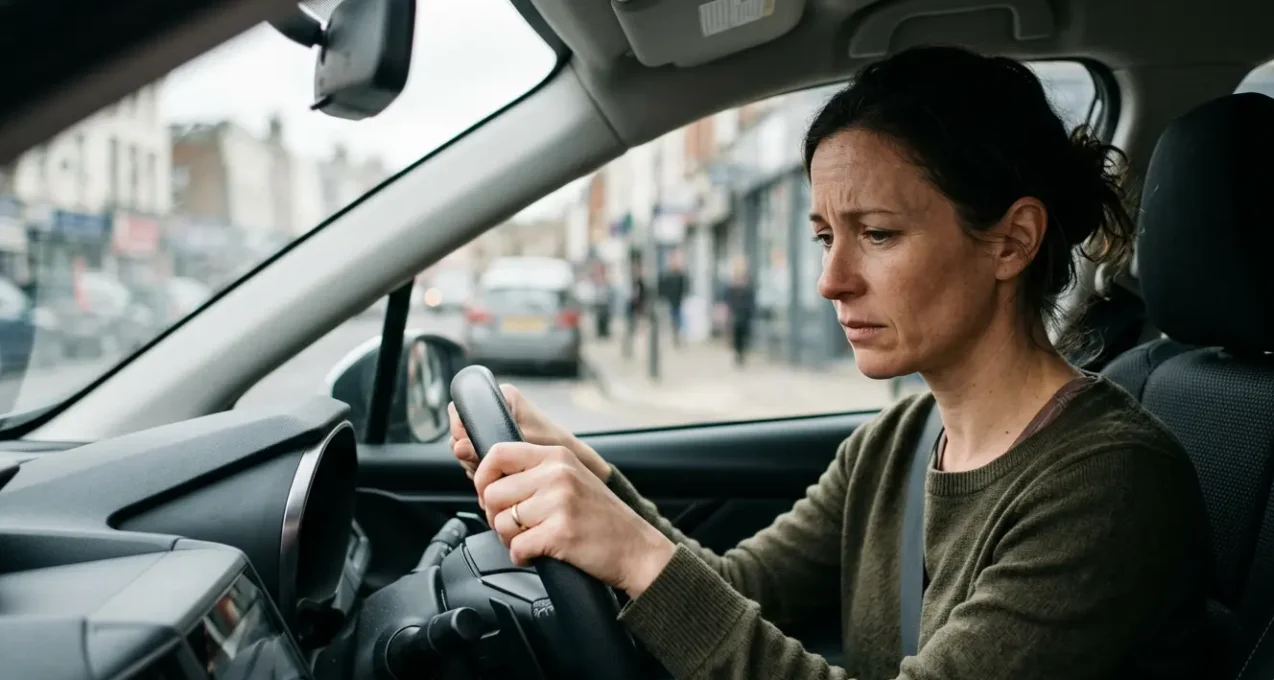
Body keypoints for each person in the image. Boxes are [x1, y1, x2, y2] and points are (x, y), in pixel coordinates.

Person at [449, 46, 1211, 679]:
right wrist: (590, 480)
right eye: (824, 237)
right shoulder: (899, 441)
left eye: (877, 234)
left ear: (1010, 241)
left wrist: (637, 554)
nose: (831, 280)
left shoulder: (1108, 483)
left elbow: (689, 598)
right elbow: (743, 591)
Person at [723, 255, 754, 366]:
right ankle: (738, 354)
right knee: (736, 334)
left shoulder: (747, 281)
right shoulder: (733, 282)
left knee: (743, 334)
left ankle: (741, 353)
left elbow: (750, 297)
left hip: (744, 312)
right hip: (736, 312)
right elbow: (729, 297)